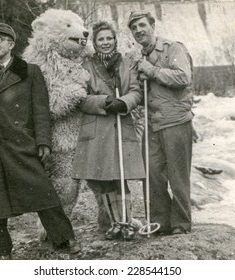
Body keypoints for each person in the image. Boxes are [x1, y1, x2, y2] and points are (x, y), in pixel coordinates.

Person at [0, 23, 81, 259]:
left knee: (43, 193)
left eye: (1, 39)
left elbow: (40, 110)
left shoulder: (30, 71)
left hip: (21, 143)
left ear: (12, 44)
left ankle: (64, 239)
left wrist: (43, 142)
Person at [71, 21, 145, 240]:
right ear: (95, 43)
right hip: (98, 128)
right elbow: (80, 98)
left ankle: (127, 223)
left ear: (115, 40)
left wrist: (124, 103)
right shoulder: (86, 67)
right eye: (101, 39)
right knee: (104, 178)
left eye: (109, 39)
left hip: (121, 124)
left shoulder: (127, 63)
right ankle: (114, 223)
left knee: (121, 176)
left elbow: (136, 91)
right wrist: (104, 101)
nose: (105, 43)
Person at [128, 11, 194, 235]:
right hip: (152, 123)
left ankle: (181, 224)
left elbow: (183, 77)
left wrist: (152, 71)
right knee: (152, 174)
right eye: (134, 28)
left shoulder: (172, 48)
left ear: (152, 26)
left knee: (178, 176)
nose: (138, 30)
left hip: (176, 121)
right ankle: (160, 222)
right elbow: (145, 91)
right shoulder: (139, 57)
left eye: (142, 25)